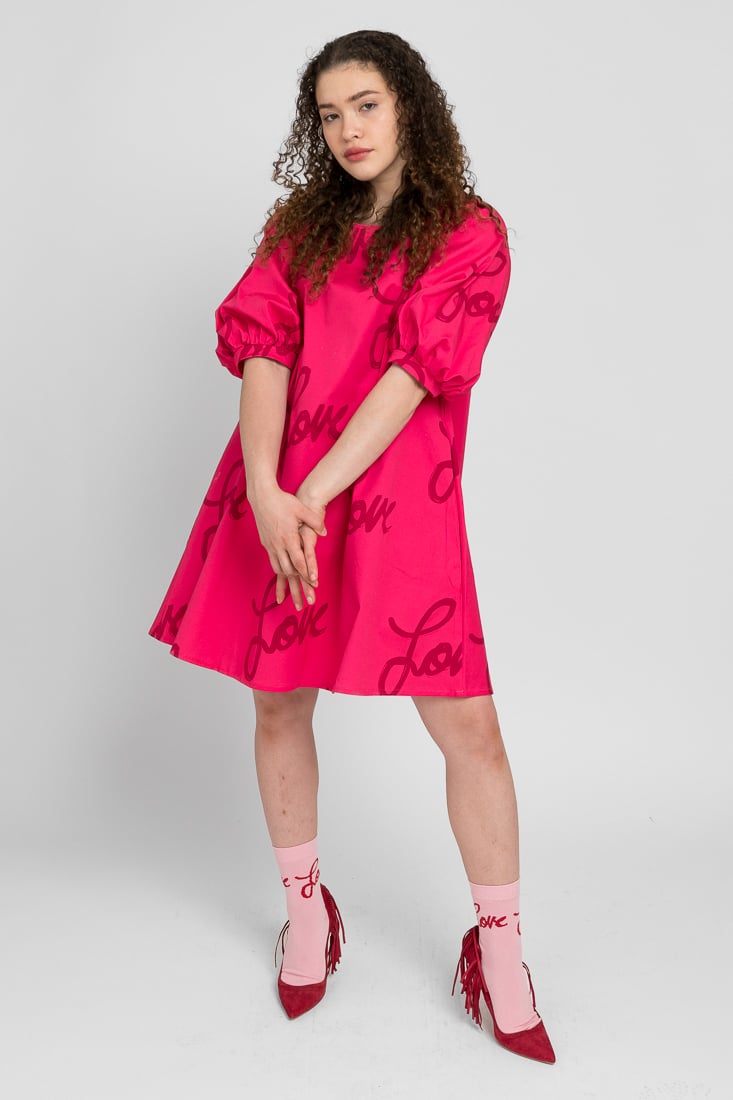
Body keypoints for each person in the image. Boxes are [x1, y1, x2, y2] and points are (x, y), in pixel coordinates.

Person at [149, 29, 555, 1064]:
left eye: (365, 105)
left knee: (468, 727)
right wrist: (264, 489)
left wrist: (311, 495)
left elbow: (415, 375)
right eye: (329, 114)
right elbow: (263, 348)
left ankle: (501, 948)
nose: (347, 130)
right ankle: (305, 912)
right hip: (279, 497)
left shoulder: (468, 232)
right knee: (277, 700)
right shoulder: (301, 227)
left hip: (393, 504)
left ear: (409, 103)